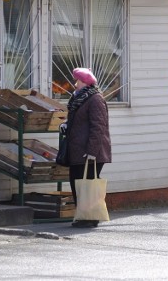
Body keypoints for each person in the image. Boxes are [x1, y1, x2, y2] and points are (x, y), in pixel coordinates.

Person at [63, 67, 112, 228]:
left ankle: (89, 218)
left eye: (77, 80)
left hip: (91, 152)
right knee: (77, 183)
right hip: (78, 150)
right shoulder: (79, 98)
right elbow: (79, 121)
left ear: (84, 82)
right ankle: (83, 216)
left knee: (88, 185)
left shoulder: (95, 99)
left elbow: (98, 127)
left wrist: (92, 152)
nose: (75, 83)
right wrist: (66, 125)